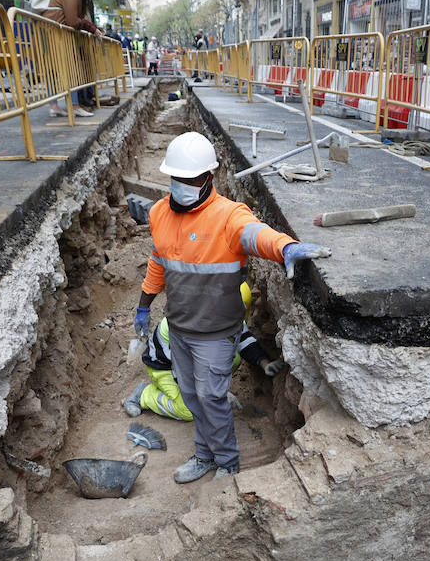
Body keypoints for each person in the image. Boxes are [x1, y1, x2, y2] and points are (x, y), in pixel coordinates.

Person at [136, 131, 330, 482]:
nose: (182, 185)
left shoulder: (227, 216)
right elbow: (158, 261)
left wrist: (284, 247)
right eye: (176, 178)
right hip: (179, 328)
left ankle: (227, 462)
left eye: (190, 179)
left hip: (215, 334)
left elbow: (255, 234)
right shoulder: (158, 214)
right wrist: (143, 305)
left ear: (209, 178)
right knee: (192, 397)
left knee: (211, 397)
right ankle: (205, 455)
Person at [125, 282, 284, 421]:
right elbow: (186, 371)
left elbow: (243, 339)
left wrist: (264, 363)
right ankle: (144, 395)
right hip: (165, 366)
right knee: (188, 411)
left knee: (232, 356)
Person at [41, 0, 80, 117]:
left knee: (51, 72)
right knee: (70, 71)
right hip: (58, 37)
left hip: (46, 35)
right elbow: (71, 19)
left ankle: (54, 106)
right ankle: (74, 105)